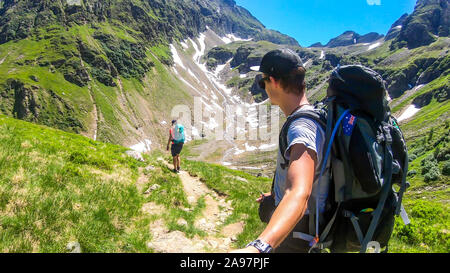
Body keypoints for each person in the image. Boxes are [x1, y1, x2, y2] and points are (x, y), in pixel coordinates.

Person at [230, 49, 328, 253]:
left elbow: (299, 192)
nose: (263, 87)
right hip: (305, 234)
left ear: (273, 81)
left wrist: (258, 247)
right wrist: (276, 193)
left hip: (296, 240)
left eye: (262, 81)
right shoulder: (313, 118)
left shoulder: (302, 126)